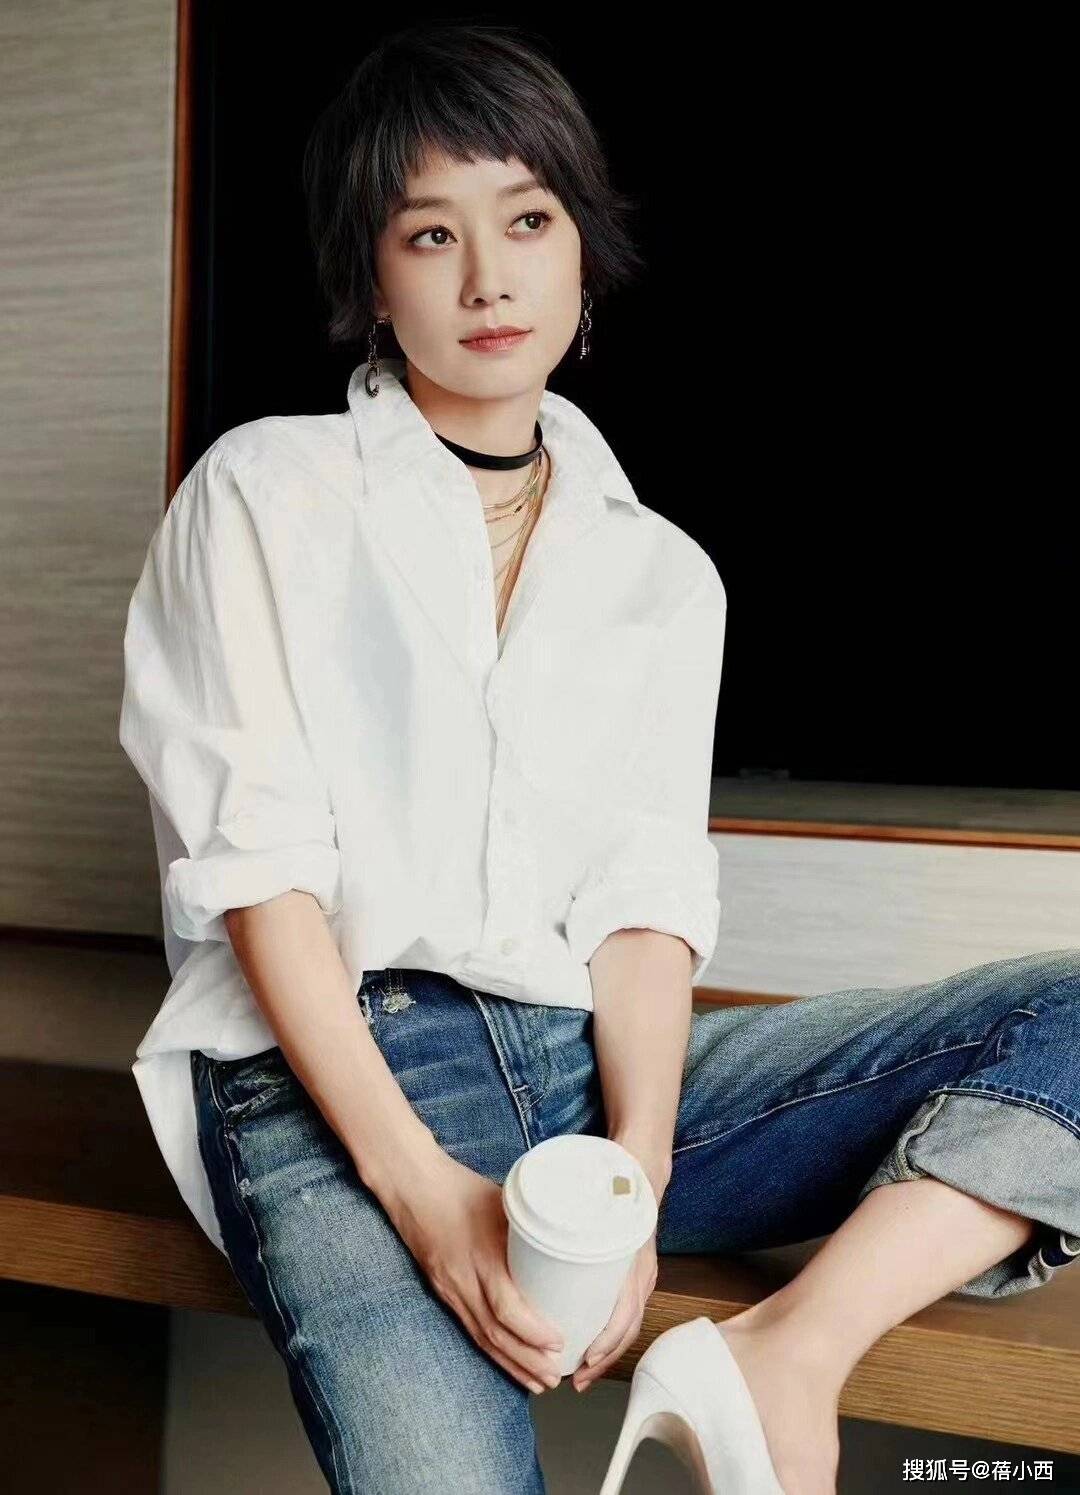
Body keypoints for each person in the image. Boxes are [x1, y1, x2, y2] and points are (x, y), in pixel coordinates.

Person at [119, 22, 1080, 1495]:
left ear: (583, 245)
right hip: (332, 1082)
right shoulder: (265, 489)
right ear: (371, 275)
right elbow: (259, 880)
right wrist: (422, 1190)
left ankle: (788, 1352)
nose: (487, 279)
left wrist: (637, 1168)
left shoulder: (663, 574)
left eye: (527, 221)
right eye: (429, 234)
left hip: (586, 1071)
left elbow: (641, 907)